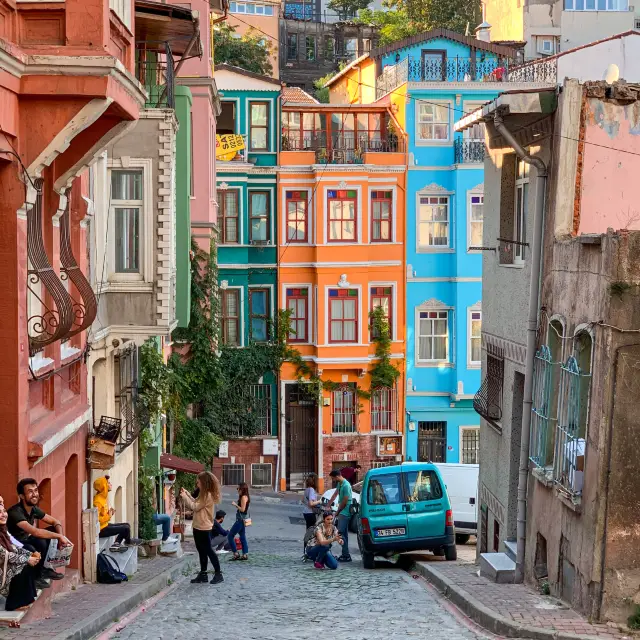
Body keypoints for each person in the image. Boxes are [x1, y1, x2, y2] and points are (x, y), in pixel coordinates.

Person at [7, 479, 72, 589]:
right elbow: (35, 532)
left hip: (25, 539)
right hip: (13, 543)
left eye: (36, 491)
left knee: (52, 530)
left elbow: (55, 522)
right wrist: (60, 536)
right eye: (30, 492)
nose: (34, 494)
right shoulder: (15, 512)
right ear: (22, 496)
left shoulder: (33, 509)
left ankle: (45, 569)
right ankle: (36, 578)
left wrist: (60, 537)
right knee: (36, 544)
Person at [180, 472, 224, 584]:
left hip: (204, 527)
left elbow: (195, 507)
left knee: (209, 550)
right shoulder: (203, 494)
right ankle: (203, 574)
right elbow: (196, 502)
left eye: (198, 480)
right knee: (201, 551)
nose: (197, 482)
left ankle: (218, 574)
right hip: (198, 526)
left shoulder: (207, 495)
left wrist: (185, 497)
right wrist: (188, 495)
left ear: (203, 482)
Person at [0, 498, 38, 611]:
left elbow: (14, 545)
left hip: (4, 565)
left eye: (4, 511)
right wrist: (27, 559)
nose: (3, 515)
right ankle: (14, 603)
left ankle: (26, 598)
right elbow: (5, 555)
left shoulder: (3, 530)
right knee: (22, 566)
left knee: (28, 558)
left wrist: (31, 554)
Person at [93, 477, 142, 550]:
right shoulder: (98, 501)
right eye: (108, 483)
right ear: (104, 486)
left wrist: (109, 512)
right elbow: (97, 520)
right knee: (125, 529)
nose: (110, 484)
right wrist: (108, 516)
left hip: (105, 525)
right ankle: (127, 542)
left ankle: (117, 543)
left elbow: (102, 514)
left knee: (127, 525)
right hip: (101, 530)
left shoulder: (103, 498)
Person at [328, 469, 353, 563]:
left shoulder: (346, 485)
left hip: (345, 512)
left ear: (338, 476)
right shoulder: (340, 484)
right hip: (342, 511)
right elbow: (335, 494)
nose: (333, 480)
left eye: (333, 478)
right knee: (344, 535)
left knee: (340, 533)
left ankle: (346, 555)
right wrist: (328, 505)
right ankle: (345, 555)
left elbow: (345, 501)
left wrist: (337, 512)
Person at [227, 483, 250, 561]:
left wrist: (235, 505)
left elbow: (243, 509)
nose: (237, 490)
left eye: (238, 489)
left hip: (240, 520)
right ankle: (245, 554)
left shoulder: (243, 497)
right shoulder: (246, 496)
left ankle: (236, 553)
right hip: (242, 520)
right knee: (242, 537)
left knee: (230, 536)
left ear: (242, 489)